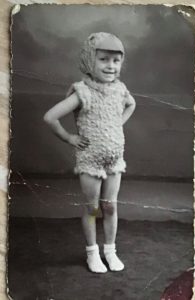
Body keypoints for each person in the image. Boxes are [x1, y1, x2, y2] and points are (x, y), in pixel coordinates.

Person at [44, 32, 136, 273]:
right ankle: (92, 253)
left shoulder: (120, 90)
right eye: (104, 59)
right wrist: (69, 138)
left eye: (116, 61)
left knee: (111, 207)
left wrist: (116, 125)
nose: (111, 66)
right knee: (92, 207)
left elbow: (131, 104)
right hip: (91, 159)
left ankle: (110, 250)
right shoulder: (82, 92)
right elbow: (50, 117)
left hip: (115, 159)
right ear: (89, 60)